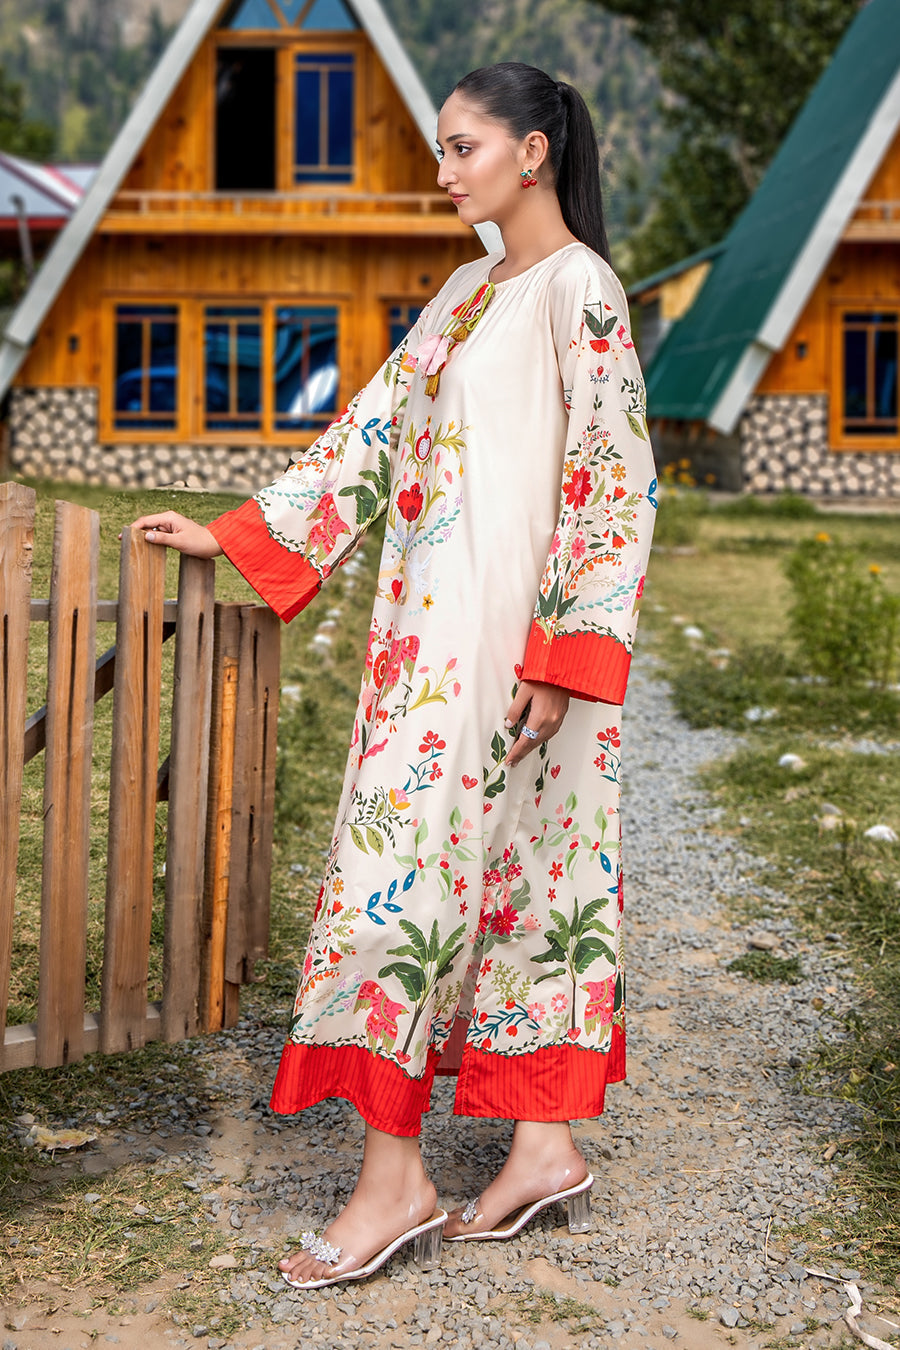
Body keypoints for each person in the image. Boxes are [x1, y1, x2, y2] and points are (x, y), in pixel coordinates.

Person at [131, 61, 657, 1291]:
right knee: (461, 870)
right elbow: (370, 434)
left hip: (523, 647)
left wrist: (564, 657)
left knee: (462, 878)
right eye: (440, 148)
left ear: (533, 151)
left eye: (463, 147)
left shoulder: (580, 289)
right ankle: (541, 1147)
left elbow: (615, 479)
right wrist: (240, 535)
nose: (444, 170)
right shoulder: (469, 291)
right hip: (431, 638)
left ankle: (397, 1181)